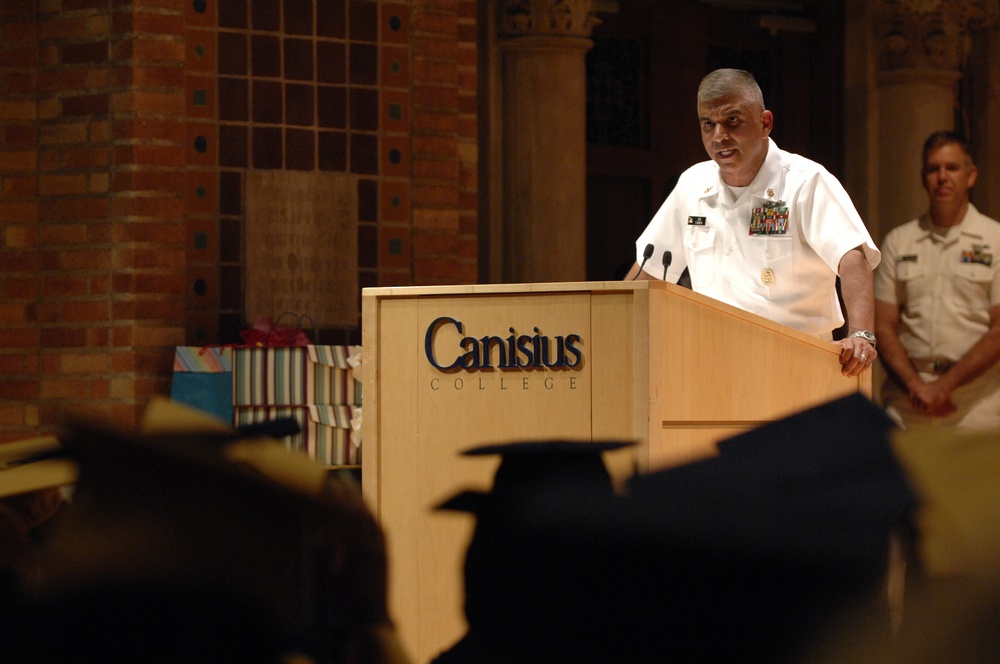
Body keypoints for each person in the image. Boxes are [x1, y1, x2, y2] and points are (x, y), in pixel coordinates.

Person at [626, 68, 879, 377]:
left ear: (765, 123)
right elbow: (648, 273)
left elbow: (852, 259)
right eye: (709, 124)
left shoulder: (805, 182)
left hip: (798, 365)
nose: (719, 136)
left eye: (732, 120)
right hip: (711, 366)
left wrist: (862, 334)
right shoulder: (692, 184)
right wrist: (613, 333)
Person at [874, 131, 1000, 430]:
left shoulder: (995, 239)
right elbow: (883, 326)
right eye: (934, 169)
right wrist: (918, 387)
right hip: (908, 401)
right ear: (923, 177)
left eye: (952, 168)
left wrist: (943, 386)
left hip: (977, 403)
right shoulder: (899, 241)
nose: (942, 177)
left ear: (971, 176)